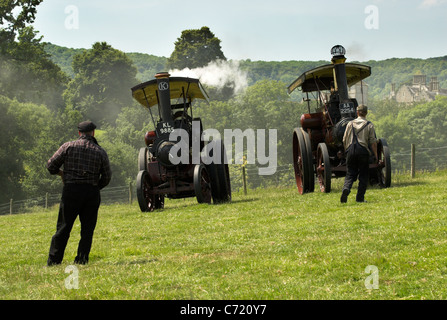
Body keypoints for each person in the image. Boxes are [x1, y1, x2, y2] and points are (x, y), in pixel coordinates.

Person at [46, 121, 112, 266]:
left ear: (79, 133)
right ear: (93, 133)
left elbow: (51, 165)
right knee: (87, 229)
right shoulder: (100, 151)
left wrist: (62, 174)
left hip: (71, 190)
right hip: (91, 192)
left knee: (64, 227)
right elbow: (107, 177)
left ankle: (54, 261)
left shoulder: (68, 146)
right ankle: (81, 260)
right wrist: (95, 187)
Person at [341, 105, 378, 203]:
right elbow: (373, 142)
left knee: (350, 173)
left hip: (351, 150)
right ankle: (360, 198)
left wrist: (347, 151)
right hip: (363, 151)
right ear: (366, 113)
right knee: (363, 175)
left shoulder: (350, 124)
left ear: (357, 112)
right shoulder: (369, 125)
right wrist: (376, 155)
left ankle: (346, 189)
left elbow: (344, 139)